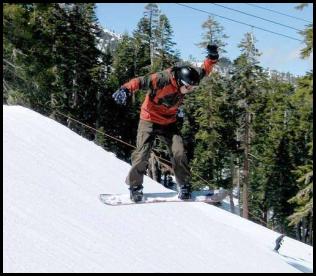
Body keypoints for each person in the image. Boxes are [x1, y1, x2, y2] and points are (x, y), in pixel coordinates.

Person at [112, 45, 219, 202]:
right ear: (180, 81)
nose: (190, 90)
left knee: (179, 152)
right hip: (149, 119)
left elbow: (204, 70)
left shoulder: (190, 77)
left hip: (169, 122)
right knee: (142, 154)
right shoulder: (162, 79)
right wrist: (125, 89)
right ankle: (135, 186)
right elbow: (141, 81)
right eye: (188, 87)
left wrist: (212, 58)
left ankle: (184, 185)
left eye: (192, 88)